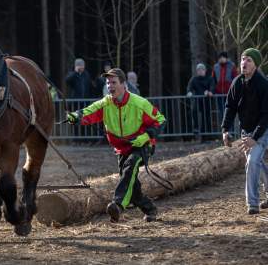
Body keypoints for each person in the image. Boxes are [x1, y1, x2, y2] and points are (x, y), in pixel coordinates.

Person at [67, 68, 166, 222]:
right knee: (131, 185)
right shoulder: (105, 103)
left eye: (113, 82)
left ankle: (117, 205)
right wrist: (76, 116)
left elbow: (160, 120)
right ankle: (150, 209)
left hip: (143, 145)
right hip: (121, 148)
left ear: (123, 84)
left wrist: (146, 136)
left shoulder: (139, 103)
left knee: (130, 165)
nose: (110, 86)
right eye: (108, 83)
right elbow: (89, 112)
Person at [221, 48, 268, 215]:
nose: (244, 63)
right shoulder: (237, 82)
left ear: (255, 64)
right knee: (257, 163)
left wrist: (255, 137)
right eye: (242, 59)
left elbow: (266, 115)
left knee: (252, 162)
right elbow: (230, 107)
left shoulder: (263, 84)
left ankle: (253, 204)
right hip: (246, 131)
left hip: (262, 131)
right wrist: (225, 129)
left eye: (248, 60)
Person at [187, 63, 215, 136]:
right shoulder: (194, 79)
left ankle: (207, 135)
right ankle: (196, 128)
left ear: (205, 70)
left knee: (206, 117)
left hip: (206, 100)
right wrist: (189, 92)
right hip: (197, 100)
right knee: (194, 111)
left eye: (202, 69)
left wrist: (210, 92)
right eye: (199, 70)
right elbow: (189, 87)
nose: (200, 71)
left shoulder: (209, 78)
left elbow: (212, 87)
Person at [212, 51, 238, 120]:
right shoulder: (215, 67)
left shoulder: (232, 66)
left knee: (229, 111)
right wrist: (213, 90)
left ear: (226, 58)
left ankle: (230, 129)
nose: (221, 59)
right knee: (221, 112)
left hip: (229, 93)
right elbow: (213, 80)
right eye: (220, 58)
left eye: (223, 57)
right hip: (219, 93)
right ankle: (224, 129)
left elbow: (235, 78)